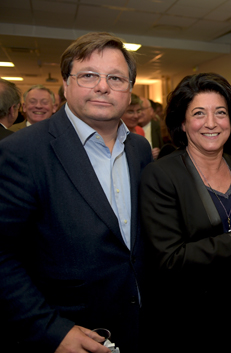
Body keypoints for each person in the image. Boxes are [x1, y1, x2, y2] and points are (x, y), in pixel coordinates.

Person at [0, 32, 153, 352]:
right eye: (88, 76)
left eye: (115, 77)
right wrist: (50, 329)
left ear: (128, 91)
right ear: (66, 85)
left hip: (138, 324)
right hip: (69, 330)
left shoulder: (138, 148)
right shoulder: (22, 152)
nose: (102, 86)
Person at [140, 73, 231, 352]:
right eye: (198, 114)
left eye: (220, 113)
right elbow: (170, 260)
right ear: (182, 123)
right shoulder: (161, 175)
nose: (211, 123)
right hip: (191, 321)